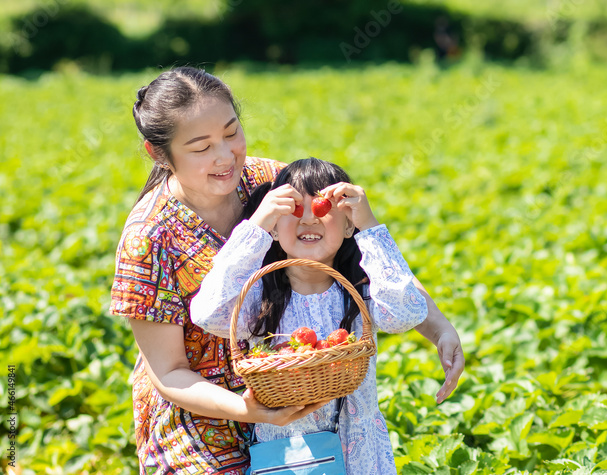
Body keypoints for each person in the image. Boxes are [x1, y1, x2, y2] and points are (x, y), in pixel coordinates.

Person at [111, 66, 465, 474]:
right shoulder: (149, 236)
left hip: (307, 404)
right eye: (201, 147)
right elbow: (169, 372)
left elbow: (361, 260)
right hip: (202, 423)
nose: (225, 156)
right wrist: (251, 410)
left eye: (231, 132)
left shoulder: (270, 181)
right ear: (159, 153)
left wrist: (438, 326)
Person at [191, 157, 425, 474]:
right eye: (293, 210)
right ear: (273, 229)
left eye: (323, 209)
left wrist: (370, 226)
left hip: (361, 455)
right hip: (288, 457)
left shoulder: (361, 292)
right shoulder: (261, 300)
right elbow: (208, 312)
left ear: (347, 225)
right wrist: (256, 225)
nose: (308, 220)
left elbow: (406, 313)